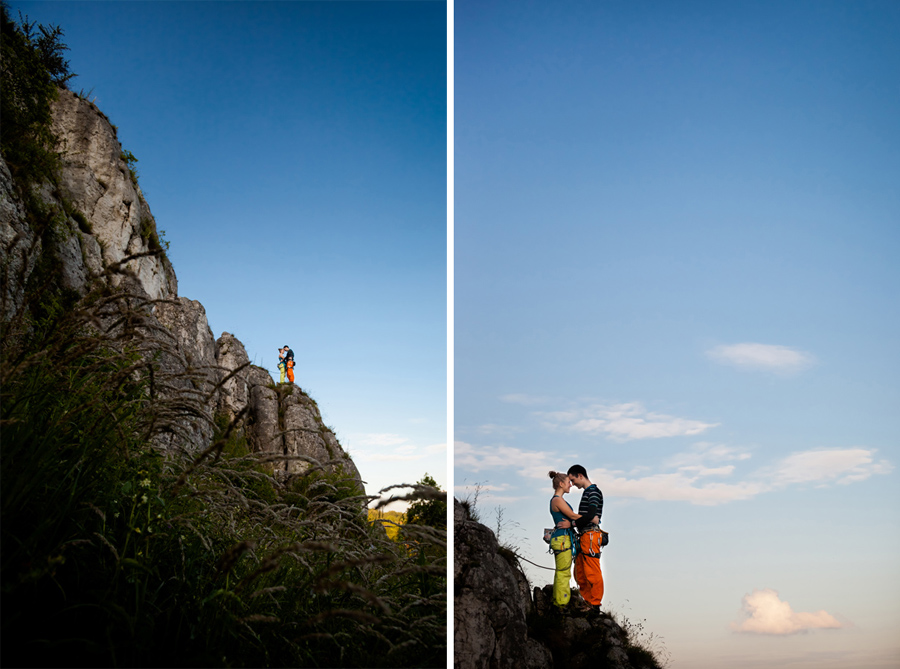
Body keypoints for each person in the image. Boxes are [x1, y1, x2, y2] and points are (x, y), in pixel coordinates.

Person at [568, 464, 604, 609]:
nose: (572, 483)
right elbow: (590, 516)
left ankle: (595, 604)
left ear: (580, 475)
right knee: (580, 572)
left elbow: (591, 515)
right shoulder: (588, 492)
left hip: (590, 536)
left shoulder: (593, 492)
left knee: (592, 572)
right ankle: (588, 601)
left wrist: (573, 523)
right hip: (584, 535)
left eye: (573, 479)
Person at [548, 470, 581, 609]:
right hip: (562, 538)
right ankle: (561, 603)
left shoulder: (559, 500)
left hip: (563, 537)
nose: (571, 485)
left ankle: (559, 599)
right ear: (561, 484)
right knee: (564, 572)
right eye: (568, 483)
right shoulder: (557, 500)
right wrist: (591, 519)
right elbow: (572, 516)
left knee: (562, 571)